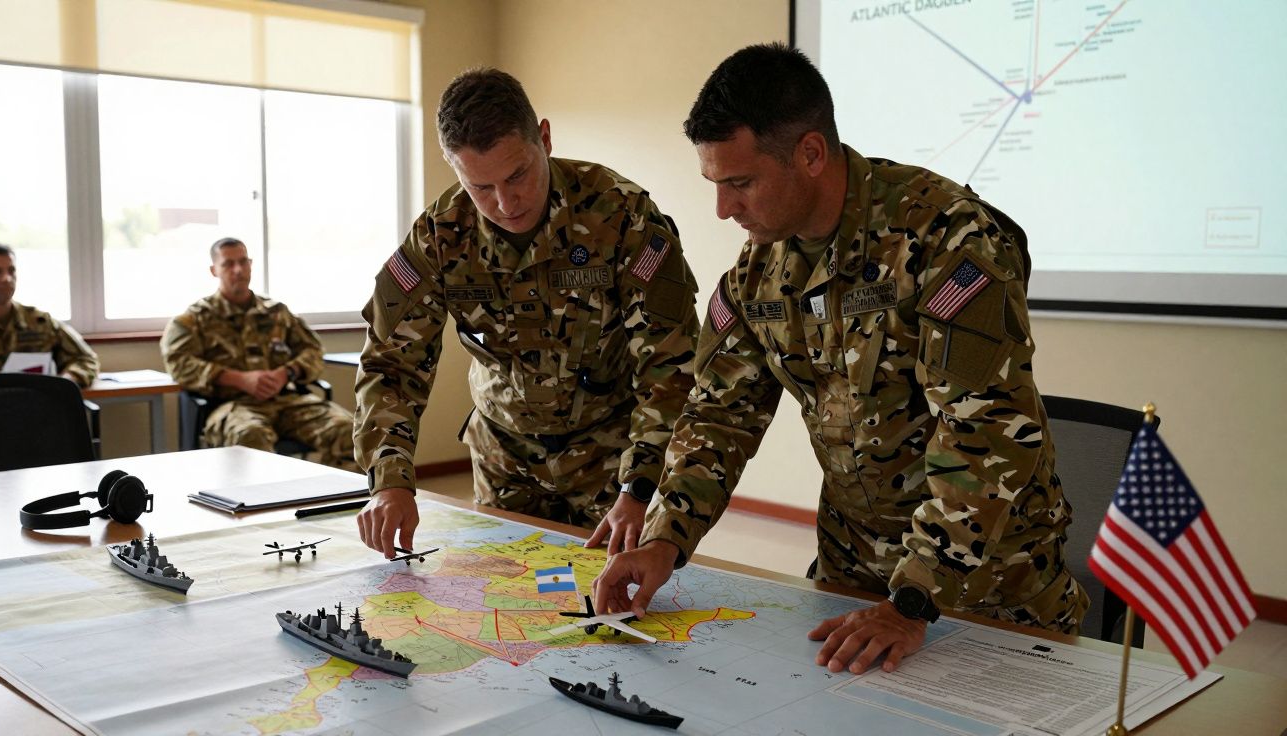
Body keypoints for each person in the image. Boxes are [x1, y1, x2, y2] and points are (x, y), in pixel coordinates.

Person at [594, 44, 1087, 676]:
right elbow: (719, 414)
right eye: (715, 185)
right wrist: (666, 537)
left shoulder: (945, 241)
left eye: (740, 183)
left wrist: (912, 601)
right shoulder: (758, 270)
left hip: (987, 582)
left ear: (810, 154)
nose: (724, 209)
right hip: (852, 572)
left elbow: (984, 431)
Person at [353, 68, 699, 559]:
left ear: (545, 138)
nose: (505, 202)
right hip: (503, 456)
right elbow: (392, 364)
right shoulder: (440, 235)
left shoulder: (621, 214)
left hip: (612, 459)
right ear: (454, 168)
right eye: (480, 187)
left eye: (518, 174)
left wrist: (642, 485)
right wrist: (389, 480)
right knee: (507, 608)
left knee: (615, 616)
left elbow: (669, 366)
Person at [160, 237, 358, 471]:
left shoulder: (276, 312)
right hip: (233, 405)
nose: (238, 270)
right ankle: (266, 505)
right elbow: (178, 363)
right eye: (228, 264)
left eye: (244, 262)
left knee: (348, 429)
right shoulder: (194, 319)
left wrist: (286, 373)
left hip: (287, 401)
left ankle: (340, 503)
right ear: (214, 270)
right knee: (250, 436)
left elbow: (313, 351)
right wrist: (240, 380)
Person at [0, 242, 99, 386]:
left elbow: (86, 359)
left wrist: (67, 382)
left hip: (33, 405)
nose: (6, 279)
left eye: (11, 270)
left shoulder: (40, 322)